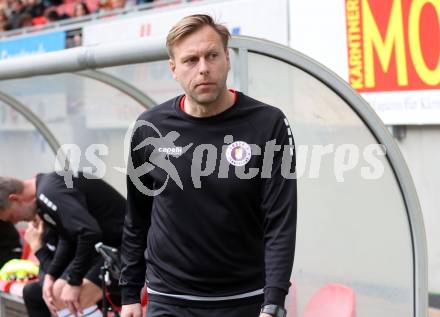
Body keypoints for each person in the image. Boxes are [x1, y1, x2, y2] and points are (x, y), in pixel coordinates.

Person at [120, 14, 297, 317]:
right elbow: (137, 217)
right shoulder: (150, 128)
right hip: (168, 299)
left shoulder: (268, 123)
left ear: (227, 59)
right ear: (173, 69)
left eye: (212, 55)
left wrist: (274, 302)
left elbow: (280, 222)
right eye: (190, 60)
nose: (203, 68)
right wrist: (128, 294)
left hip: (244, 300)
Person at [0, 171, 126, 317]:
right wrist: (51, 276)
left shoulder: (49, 191)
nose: (15, 222)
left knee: (72, 298)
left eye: (11, 217)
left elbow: (89, 233)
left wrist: (73, 281)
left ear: (14, 199)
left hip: (130, 247)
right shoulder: (43, 196)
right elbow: (68, 238)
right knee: (56, 292)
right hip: (107, 249)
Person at [22, 216, 58, 317]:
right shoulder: (42, 234)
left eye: (34, 220)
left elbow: (59, 272)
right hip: (55, 280)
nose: (31, 226)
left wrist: (37, 248)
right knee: (31, 291)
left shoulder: (58, 232)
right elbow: (44, 271)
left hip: (78, 280)